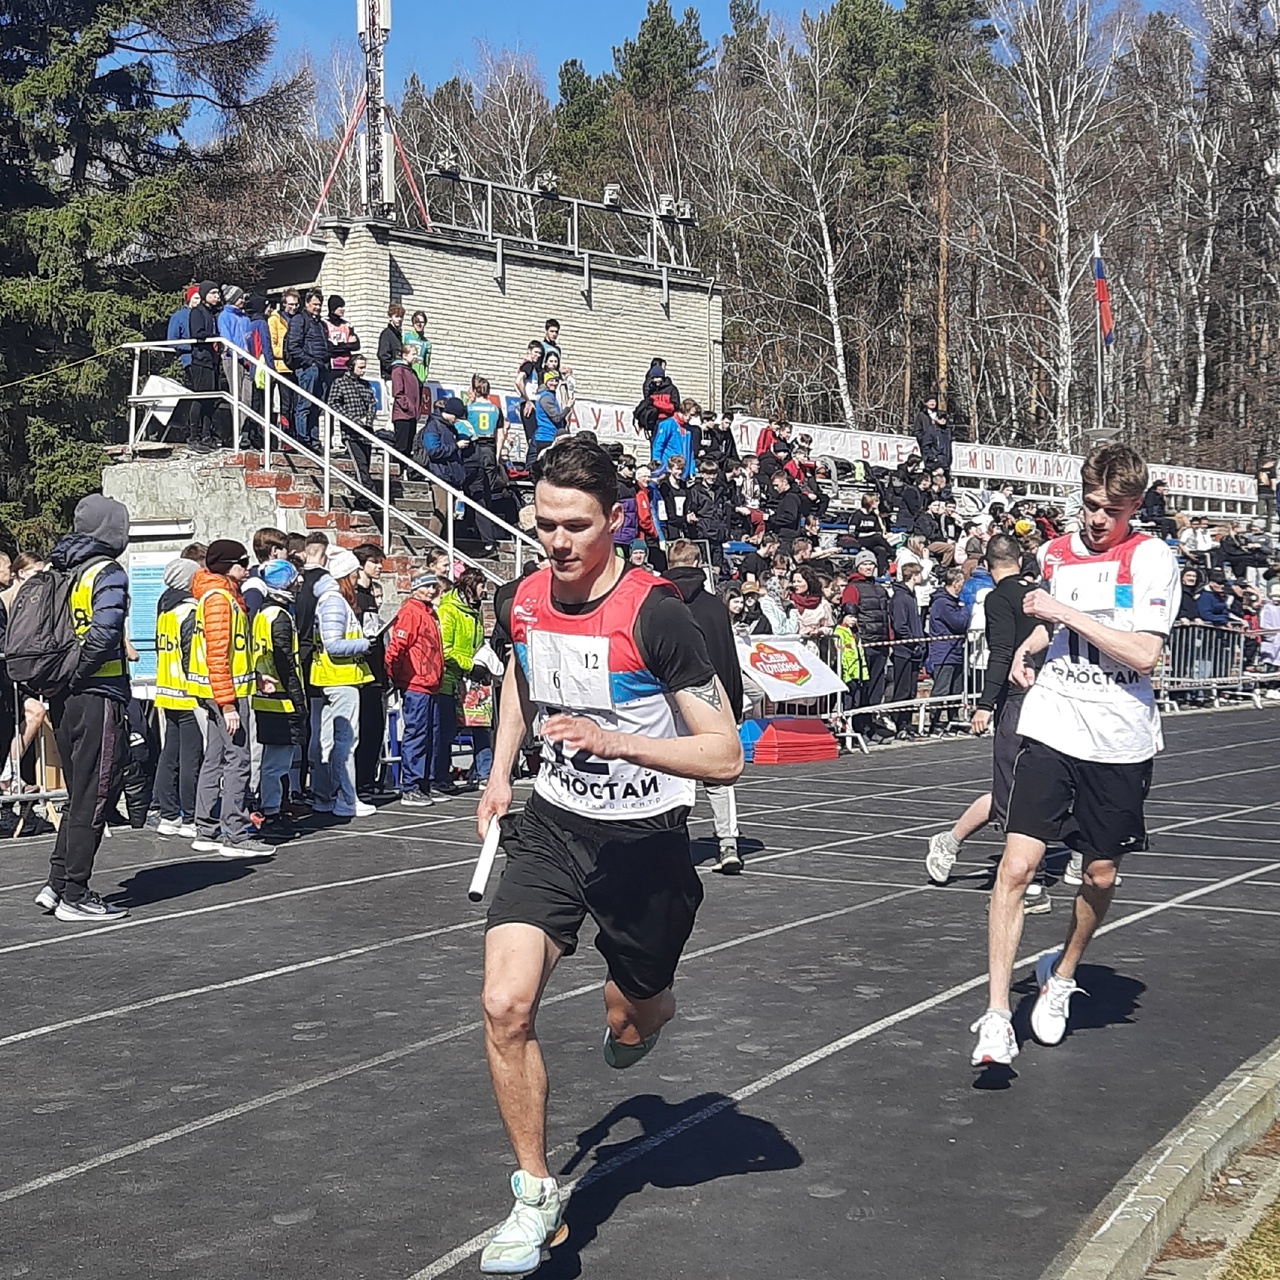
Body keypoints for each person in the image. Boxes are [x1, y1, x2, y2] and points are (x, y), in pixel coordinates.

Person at [475, 436, 742, 1275]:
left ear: (616, 521)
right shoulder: (520, 599)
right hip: (554, 827)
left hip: (645, 844)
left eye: (576, 526)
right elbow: (521, 675)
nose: (557, 542)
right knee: (504, 1005)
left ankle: (643, 1011)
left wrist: (618, 741)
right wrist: (499, 772)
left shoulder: (656, 615)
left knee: (632, 1018)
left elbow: (726, 754)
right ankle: (534, 1192)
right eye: (545, 524)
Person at [970, 444, 1181, 1068]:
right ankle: (997, 1017)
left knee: (1100, 875)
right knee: (1016, 867)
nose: (1096, 519)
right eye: (1090, 505)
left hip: (1118, 738)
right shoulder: (1056, 552)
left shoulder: (1150, 557)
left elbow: (1144, 654)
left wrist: (1062, 611)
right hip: (1054, 723)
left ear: (1134, 507)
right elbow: (1053, 625)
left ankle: (1061, 973)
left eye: (1111, 510)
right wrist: (1031, 644)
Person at [925, 534, 1048, 894]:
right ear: (1020, 560)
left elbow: (1001, 651)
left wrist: (984, 704)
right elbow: (1005, 652)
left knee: (1023, 785)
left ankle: (951, 841)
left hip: (1028, 697)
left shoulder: (1000, 597)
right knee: (1012, 787)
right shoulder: (1032, 594)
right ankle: (1025, 870)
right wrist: (988, 703)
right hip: (1027, 696)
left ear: (987, 565)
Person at [34, 497, 133, 921]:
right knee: (95, 795)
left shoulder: (63, 568)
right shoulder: (106, 571)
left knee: (80, 794)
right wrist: (79, 672)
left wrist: (64, 678)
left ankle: (57, 883)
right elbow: (104, 632)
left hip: (63, 696)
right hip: (97, 694)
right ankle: (76, 893)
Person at [665, 539, 747, 873]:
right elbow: (728, 657)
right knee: (718, 777)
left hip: (669, 700)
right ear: (698, 564)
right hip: (711, 699)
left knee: (671, 775)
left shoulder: (660, 602)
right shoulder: (715, 607)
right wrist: (734, 705)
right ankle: (728, 844)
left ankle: (671, 845)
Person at [189, 539, 273, 859]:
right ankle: (235, 833)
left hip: (219, 690)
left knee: (215, 757)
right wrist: (227, 704)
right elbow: (218, 655)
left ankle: (206, 828)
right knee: (238, 759)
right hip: (226, 693)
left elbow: (233, 649)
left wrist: (255, 677)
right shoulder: (220, 599)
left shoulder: (218, 595)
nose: (247, 567)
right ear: (227, 566)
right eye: (242, 562)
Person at [309, 548, 376, 819]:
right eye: (355, 574)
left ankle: (324, 796)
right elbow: (334, 644)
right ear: (346, 575)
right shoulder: (335, 601)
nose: (358, 578)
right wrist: (364, 644)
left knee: (328, 740)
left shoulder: (328, 599)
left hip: (330, 677)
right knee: (346, 741)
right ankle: (346, 798)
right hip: (341, 678)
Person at [251, 558, 307, 839]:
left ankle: (272, 808)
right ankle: (271, 812)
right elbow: (284, 662)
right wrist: (298, 700)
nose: (299, 583)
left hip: (265, 697)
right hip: (280, 698)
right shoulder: (280, 616)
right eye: (294, 579)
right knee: (277, 762)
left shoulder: (263, 612)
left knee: (272, 760)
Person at [153, 556, 203, 839]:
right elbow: (190, 655)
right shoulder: (190, 611)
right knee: (190, 758)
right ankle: (191, 817)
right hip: (187, 693)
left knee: (169, 754)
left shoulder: (165, 610)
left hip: (167, 689)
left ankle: (168, 813)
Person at [385, 571, 445, 806]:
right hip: (416, 683)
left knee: (430, 735)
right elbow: (397, 648)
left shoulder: (429, 612)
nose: (431, 591)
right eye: (426, 586)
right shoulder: (411, 612)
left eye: (433, 587)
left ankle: (424, 783)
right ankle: (411, 786)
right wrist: (396, 676)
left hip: (429, 683)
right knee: (417, 734)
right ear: (415, 588)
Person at [436, 567, 488, 790]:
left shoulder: (476, 610)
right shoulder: (448, 610)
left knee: (481, 725)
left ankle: (482, 773)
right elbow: (445, 649)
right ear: (470, 586)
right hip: (449, 680)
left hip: (470, 680)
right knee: (446, 731)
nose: (484, 590)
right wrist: (470, 665)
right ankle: (440, 776)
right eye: (481, 585)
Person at [352, 544, 389, 796]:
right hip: (362, 672)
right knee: (364, 729)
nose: (379, 567)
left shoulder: (369, 596)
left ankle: (368, 778)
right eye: (374, 562)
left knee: (375, 729)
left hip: (376, 671)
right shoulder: (355, 597)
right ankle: (360, 780)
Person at [460, 375, 509, 551]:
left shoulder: (469, 408)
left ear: (475, 390)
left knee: (472, 489)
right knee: (486, 491)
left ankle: (472, 526)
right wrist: (497, 456)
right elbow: (501, 434)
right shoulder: (495, 409)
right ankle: (482, 529)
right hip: (489, 449)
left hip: (472, 449)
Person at [925, 567, 971, 734]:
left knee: (956, 690)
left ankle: (954, 721)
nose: (963, 586)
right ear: (955, 583)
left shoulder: (953, 602)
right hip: (944, 652)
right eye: (962, 582)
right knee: (941, 690)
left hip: (956, 651)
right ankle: (934, 723)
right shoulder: (942, 603)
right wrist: (965, 609)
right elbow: (959, 623)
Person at [284, 289, 329, 449]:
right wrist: (310, 362)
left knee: (316, 406)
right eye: (315, 304)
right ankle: (303, 439)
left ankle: (314, 440)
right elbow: (293, 346)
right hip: (307, 369)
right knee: (304, 405)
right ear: (307, 303)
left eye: (320, 304)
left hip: (320, 368)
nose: (318, 307)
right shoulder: (299, 320)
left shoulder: (320, 324)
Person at [326, 353, 377, 490]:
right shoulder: (340, 383)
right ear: (351, 367)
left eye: (364, 367)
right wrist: (353, 420)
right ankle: (368, 495)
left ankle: (360, 495)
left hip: (366, 432)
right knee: (361, 465)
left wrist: (368, 419)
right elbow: (333, 404)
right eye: (360, 367)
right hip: (350, 433)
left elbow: (372, 404)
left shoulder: (365, 384)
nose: (363, 370)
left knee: (366, 464)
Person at [888, 563, 927, 738]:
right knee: (902, 690)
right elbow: (900, 625)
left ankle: (907, 723)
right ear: (914, 575)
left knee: (911, 691)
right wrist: (913, 642)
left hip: (913, 651)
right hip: (904, 651)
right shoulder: (900, 598)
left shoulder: (911, 596)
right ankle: (900, 725)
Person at [268, 289, 299, 437]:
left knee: (296, 404)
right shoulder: (274, 320)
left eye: (296, 304)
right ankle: (286, 437)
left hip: (297, 367)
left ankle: (296, 436)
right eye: (290, 304)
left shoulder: (299, 319)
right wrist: (287, 354)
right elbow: (272, 344)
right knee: (285, 405)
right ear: (283, 304)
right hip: (282, 367)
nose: (294, 307)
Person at [241, 526, 288, 619]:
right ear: (274, 551)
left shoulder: (274, 580)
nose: (288, 555)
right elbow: (251, 619)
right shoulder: (255, 584)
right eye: (286, 549)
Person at [388, 343, 423, 459]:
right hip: (402, 415)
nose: (415, 357)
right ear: (404, 355)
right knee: (401, 446)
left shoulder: (412, 371)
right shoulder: (398, 370)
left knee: (408, 447)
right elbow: (398, 393)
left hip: (412, 415)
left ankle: (404, 467)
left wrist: (416, 410)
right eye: (413, 354)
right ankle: (397, 467)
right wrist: (409, 407)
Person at [528, 373, 569, 465]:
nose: (554, 383)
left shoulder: (549, 395)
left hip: (548, 436)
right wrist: (568, 408)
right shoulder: (546, 397)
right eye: (551, 380)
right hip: (547, 437)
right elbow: (556, 418)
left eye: (556, 380)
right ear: (545, 382)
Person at [377, 303, 405, 379]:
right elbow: (383, 355)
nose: (399, 319)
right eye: (396, 316)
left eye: (401, 317)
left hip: (398, 375)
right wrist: (395, 367)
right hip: (389, 376)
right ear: (390, 318)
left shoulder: (398, 335)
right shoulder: (386, 334)